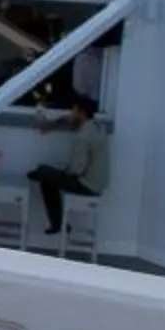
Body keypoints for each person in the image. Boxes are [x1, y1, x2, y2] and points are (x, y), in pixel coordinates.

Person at [29, 96, 108, 235]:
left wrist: (64, 171)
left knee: (43, 172)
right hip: (97, 183)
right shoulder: (96, 127)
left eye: (73, 111)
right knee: (47, 178)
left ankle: (58, 223)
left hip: (86, 184)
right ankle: (58, 223)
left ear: (81, 113)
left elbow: (77, 170)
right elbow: (69, 120)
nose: (71, 114)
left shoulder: (83, 136)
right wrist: (53, 123)